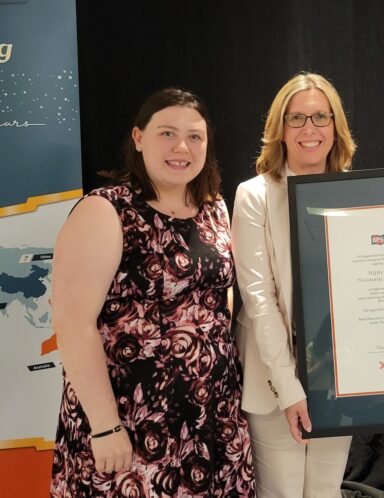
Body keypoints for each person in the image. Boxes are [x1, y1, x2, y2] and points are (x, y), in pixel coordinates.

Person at [50, 88, 256, 496]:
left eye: (194, 136)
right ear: (138, 138)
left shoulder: (214, 207)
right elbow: (73, 324)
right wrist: (105, 425)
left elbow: (219, 302)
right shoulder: (105, 211)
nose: (182, 147)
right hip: (131, 420)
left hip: (213, 416)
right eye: (166, 133)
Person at [231, 72, 356, 498]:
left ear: (335, 125)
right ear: (279, 129)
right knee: (282, 493)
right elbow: (259, 300)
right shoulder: (254, 195)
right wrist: (289, 390)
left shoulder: (355, 193)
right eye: (297, 118)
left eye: (320, 117)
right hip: (272, 377)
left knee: (324, 491)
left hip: (339, 378)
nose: (310, 129)